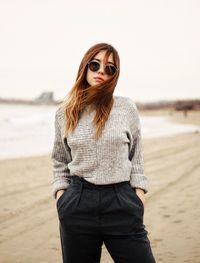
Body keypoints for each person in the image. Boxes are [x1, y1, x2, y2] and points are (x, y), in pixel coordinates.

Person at [51, 43, 156, 263]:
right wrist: (62, 198)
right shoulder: (64, 112)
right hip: (77, 204)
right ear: (85, 66)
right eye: (95, 64)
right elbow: (60, 160)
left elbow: (136, 156)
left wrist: (139, 197)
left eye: (110, 68)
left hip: (121, 202)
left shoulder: (126, 108)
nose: (101, 71)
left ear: (115, 75)